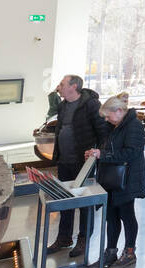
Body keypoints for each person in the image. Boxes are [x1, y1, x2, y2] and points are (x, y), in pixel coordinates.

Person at [46, 75, 108, 257]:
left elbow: (102, 132)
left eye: (62, 84)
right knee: (65, 199)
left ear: (73, 86)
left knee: (84, 202)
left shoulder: (91, 105)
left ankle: (84, 238)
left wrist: (97, 154)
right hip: (64, 160)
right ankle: (64, 237)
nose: (59, 87)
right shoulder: (63, 105)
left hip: (83, 162)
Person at [87, 94, 145, 268]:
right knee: (111, 216)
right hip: (112, 180)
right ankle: (110, 252)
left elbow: (131, 153)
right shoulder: (115, 126)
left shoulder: (134, 126)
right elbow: (108, 148)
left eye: (108, 116)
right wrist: (96, 153)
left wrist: (102, 155)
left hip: (127, 180)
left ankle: (129, 252)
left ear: (119, 111)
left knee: (127, 216)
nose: (106, 119)